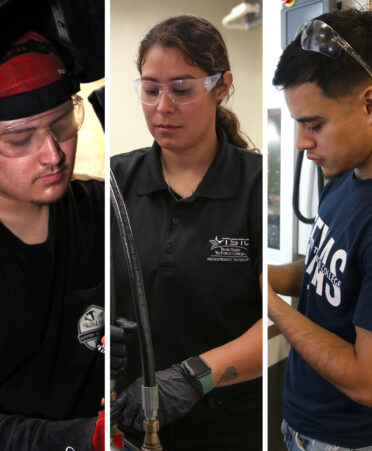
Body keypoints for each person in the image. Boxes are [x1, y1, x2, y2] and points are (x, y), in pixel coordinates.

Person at [111, 15, 262, 451]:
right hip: (134, 422)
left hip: (230, 426)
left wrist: (194, 375)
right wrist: (99, 330)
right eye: (150, 89)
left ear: (220, 85)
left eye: (181, 89)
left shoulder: (254, 186)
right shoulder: (117, 181)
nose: (163, 107)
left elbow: (275, 317)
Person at [268, 9, 372, 451]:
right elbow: (319, 270)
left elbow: (366, 381)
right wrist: (263, 275)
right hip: (301, 420)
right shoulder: (344, 179)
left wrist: (270, 305)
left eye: (314, 125)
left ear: (369, 103)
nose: (300, 143)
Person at [0, 30, 106, 450]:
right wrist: (80, 439)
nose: (52, 154)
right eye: (20, 139)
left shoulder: (99, 211)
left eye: (62, 124)